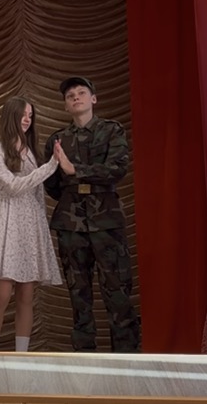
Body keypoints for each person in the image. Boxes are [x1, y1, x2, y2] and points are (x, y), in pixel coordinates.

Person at [43, 77, 141, 352]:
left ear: (93, 99)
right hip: (70, 222)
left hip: (106, 220)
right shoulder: (57, 140)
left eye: (81, 92)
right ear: (65, 106)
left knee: (118, 290)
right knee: (78, 293)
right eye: (70, 95)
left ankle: (126, 358)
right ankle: (83, 356)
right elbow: (51, 183)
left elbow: (117, 169)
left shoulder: (111, 130)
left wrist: (76, 171)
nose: (76, 97)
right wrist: (75, 188)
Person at [0, 96, 68, 352]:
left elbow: (36, 194)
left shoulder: (31, 153)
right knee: (2, 293)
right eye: (23, 114)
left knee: (27, 295)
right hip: (7, 222)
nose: (27, 119)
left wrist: (40, 228)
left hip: (30, 223)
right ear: (10, 116)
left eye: (30, 115)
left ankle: (21, 358)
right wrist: (51, 166)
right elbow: (13, 187)